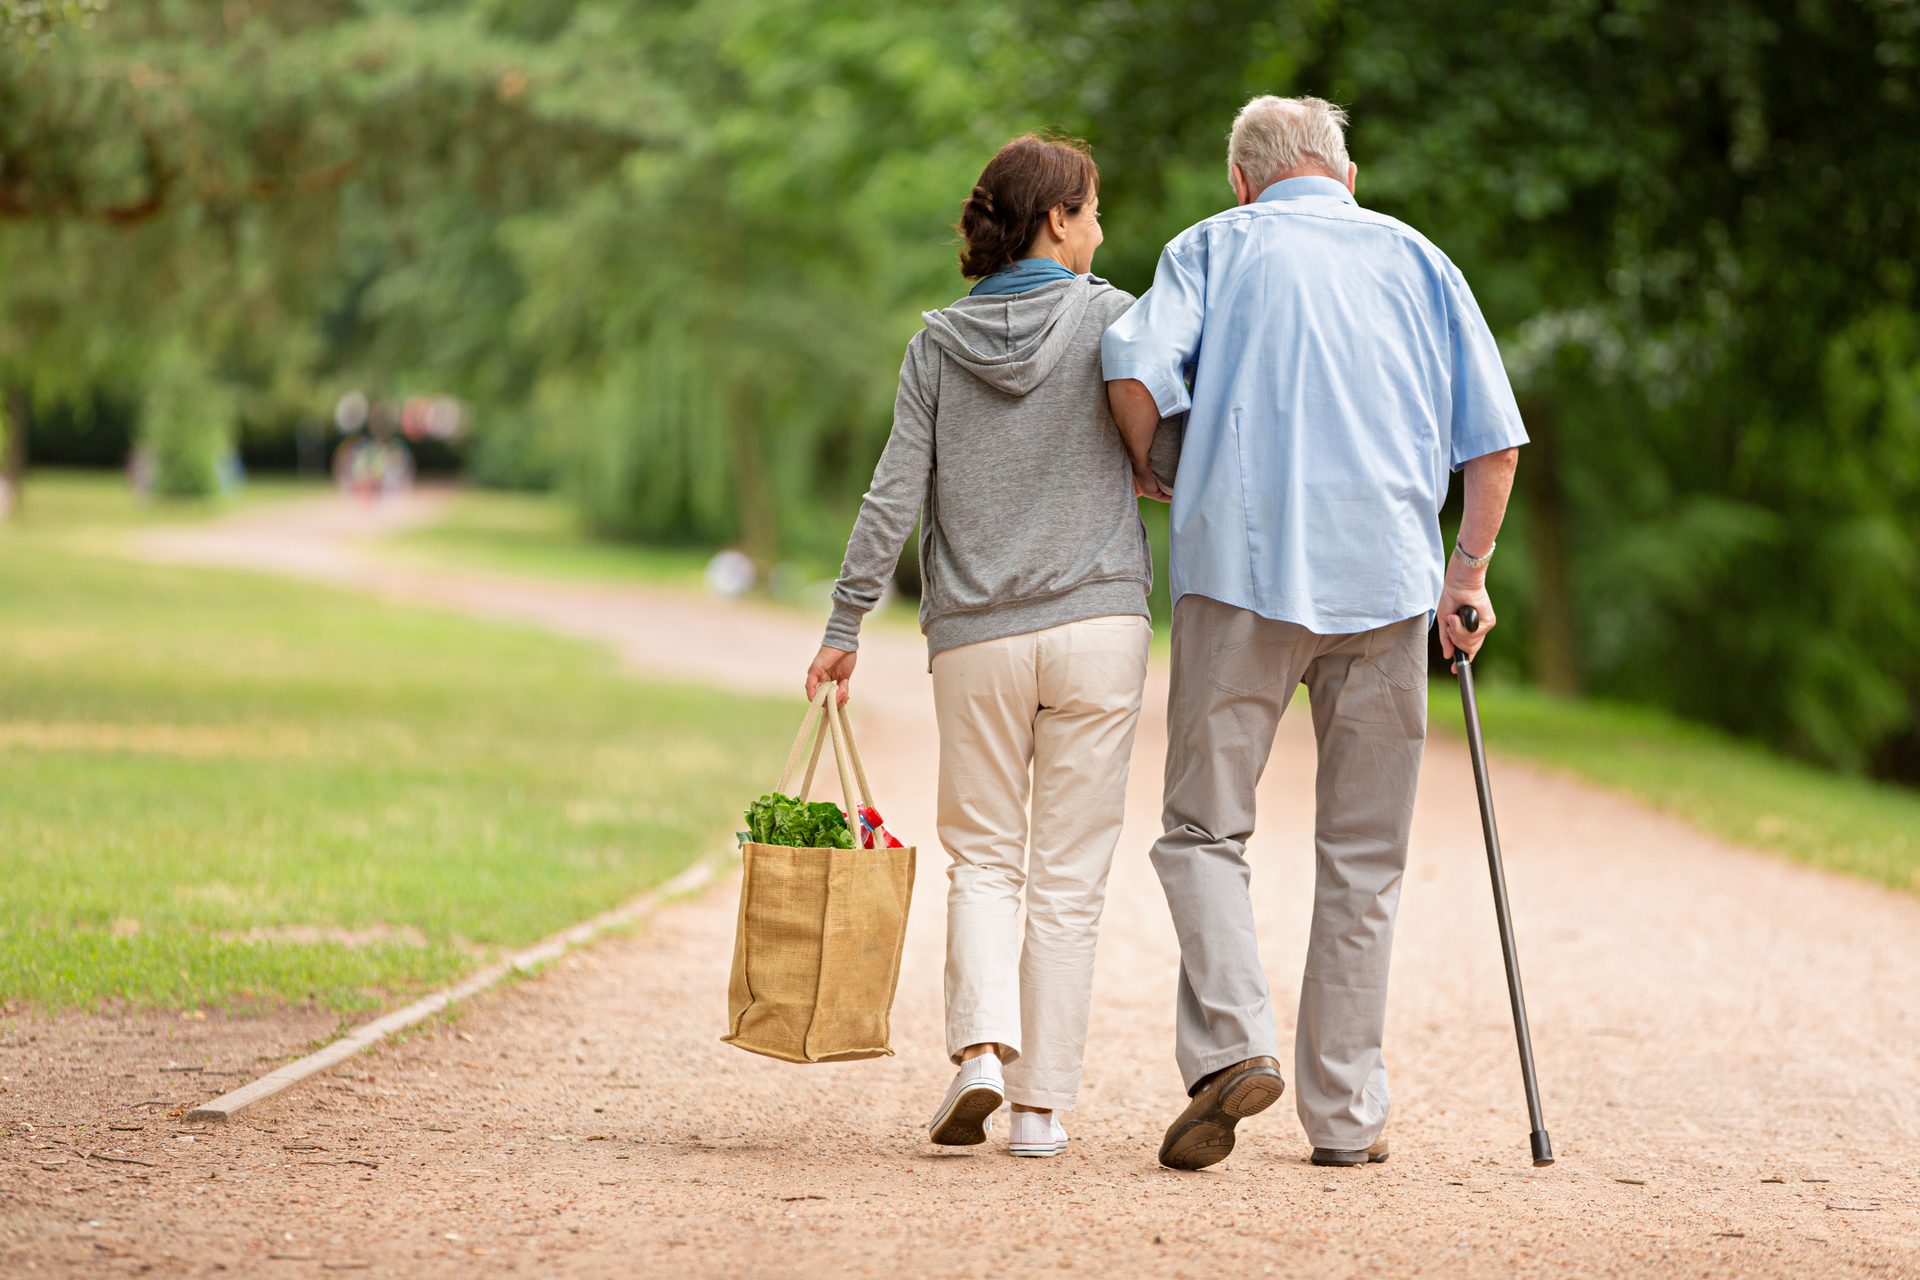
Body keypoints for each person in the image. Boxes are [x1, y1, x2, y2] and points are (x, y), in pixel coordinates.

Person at [1102, 95, 1528, 1170]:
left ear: (1244, 179)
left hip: (1239, 575)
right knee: (1365, 857)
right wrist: (1464, 574)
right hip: (1386, 584)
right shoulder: (1421, 260)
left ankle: (1235, 1043)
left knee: (1202, 830)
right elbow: (1495, 447)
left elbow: (1131, 367)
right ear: (1344, 171)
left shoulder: (1211, 247)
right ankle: (1345, 1116)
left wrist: (1160, 468)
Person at [806, 134, 1176, 1159]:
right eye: (1093, 212)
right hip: (1098, 626)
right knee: (1067, 876)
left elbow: (893, 498)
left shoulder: (935, 346)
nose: (1101, 233)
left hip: (976, 637)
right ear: (1056, 220)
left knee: (983, 858)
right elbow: (1170, 449)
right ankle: (1042, 1110)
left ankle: (977, 1051)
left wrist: (846, 626)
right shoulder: (1114, 318)